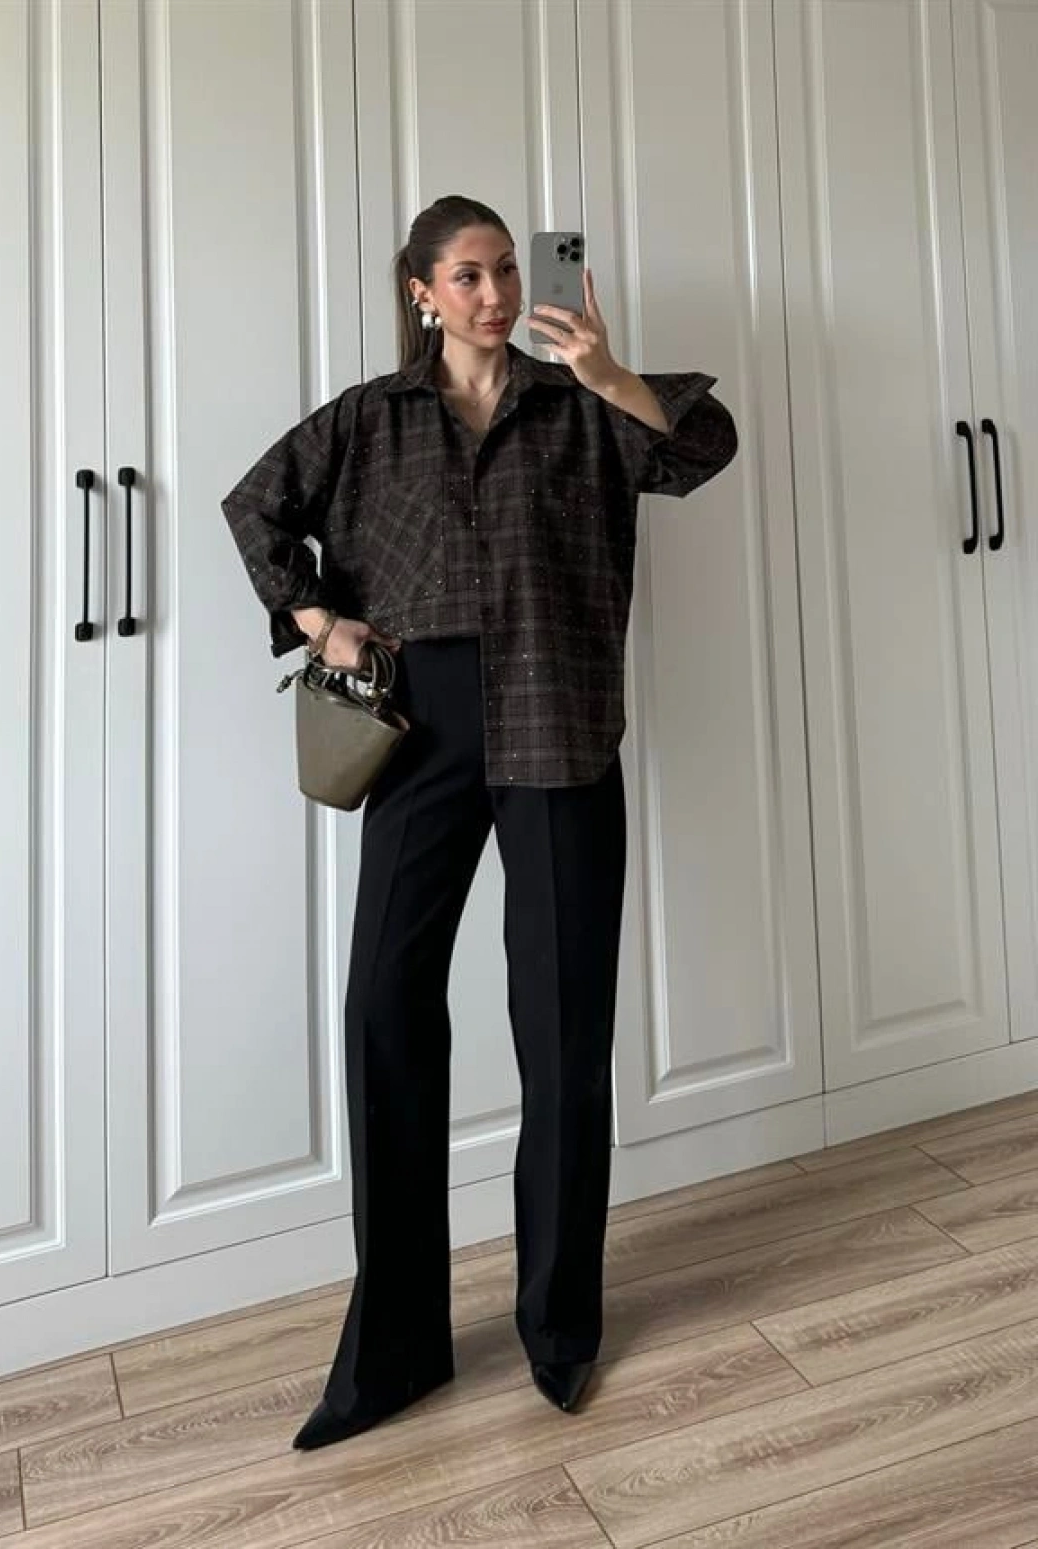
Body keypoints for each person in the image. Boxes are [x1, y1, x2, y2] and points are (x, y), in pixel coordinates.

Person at [222, 194, 737, 1451]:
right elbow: (256, 506)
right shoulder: (368, 418)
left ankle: (560, 1327)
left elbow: (701, 446)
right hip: (419, 730)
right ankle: (396, 1346)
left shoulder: (584, 405)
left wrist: (606, 371)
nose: (496, 293)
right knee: (385, 1004)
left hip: (558, 723)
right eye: (468, 274)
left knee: (562, 1027)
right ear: (422, 291)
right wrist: (319, 622)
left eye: (509, 269)